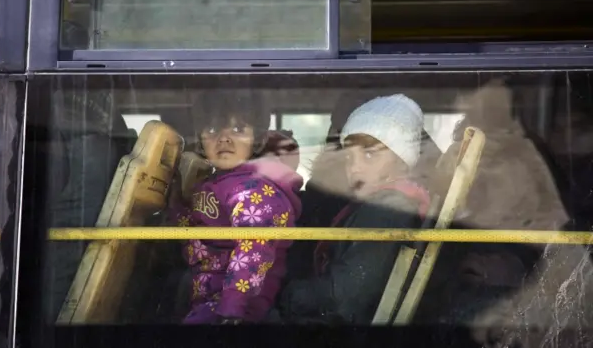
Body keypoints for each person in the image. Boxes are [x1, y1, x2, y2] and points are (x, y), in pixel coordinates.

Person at [279, 94, 430, 324]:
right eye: (349, 156)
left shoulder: (387, 210)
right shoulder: (377, 205)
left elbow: (345, 295)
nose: (354, 167)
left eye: (369, 154)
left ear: (402, 161)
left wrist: (287, 295)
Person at [171, 90, 303, 325]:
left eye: (238, 129)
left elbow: (253, 251)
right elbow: (189, 228)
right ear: (199, 138)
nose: (224, 138)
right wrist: (180, 195)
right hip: (204, 293)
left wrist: (232, 308)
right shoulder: (211, 183)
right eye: (212, 130)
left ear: (257, 140)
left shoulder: (254, 190)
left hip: (235, 306)